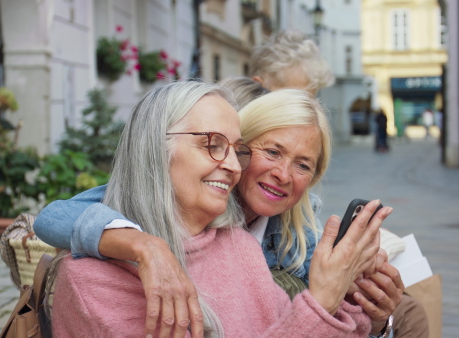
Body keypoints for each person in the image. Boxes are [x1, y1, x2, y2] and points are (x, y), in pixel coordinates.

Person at [49, 81, 386, 337]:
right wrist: (323, 302)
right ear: (155, 149)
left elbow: (295, 324)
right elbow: (54, 216)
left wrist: (368, 311)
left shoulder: (238, 246)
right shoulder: (91, 281)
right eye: (212, 145)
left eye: (235, 149)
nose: (232, 166)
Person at [249, 30, 334, 96]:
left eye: (310, 103)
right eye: (293, 101)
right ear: (258, 87)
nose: (305, 113)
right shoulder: (239, 117)